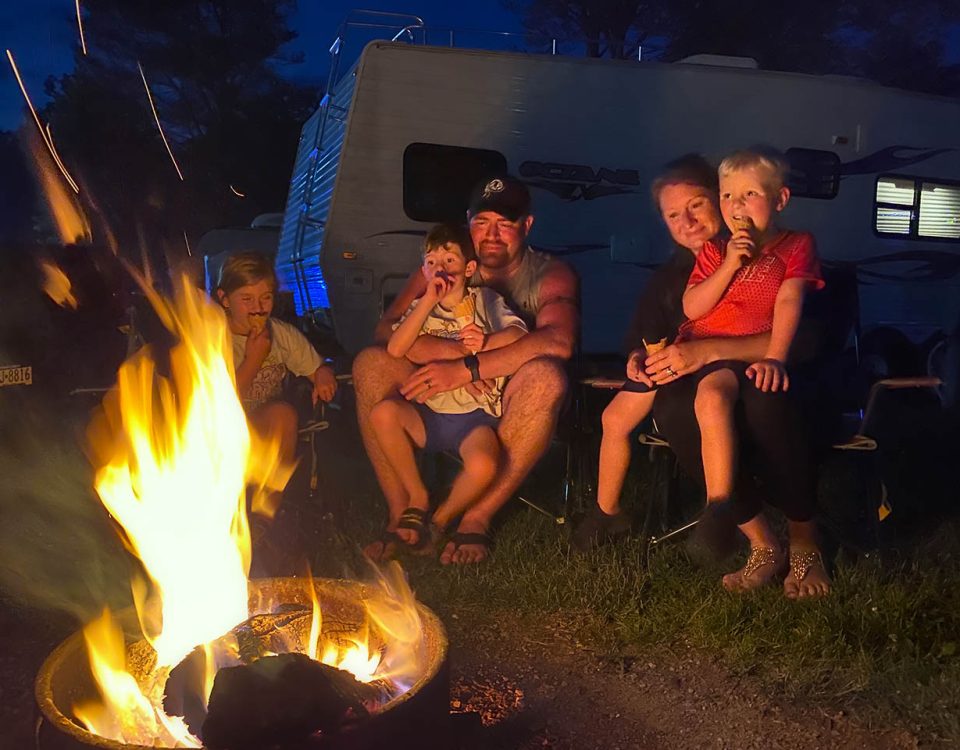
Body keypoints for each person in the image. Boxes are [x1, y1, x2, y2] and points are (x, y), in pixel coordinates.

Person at [573, 154, 830, 600]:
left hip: (762, 375)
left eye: (697, 205)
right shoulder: (684, 270)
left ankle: (803, 539)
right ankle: (756, 539)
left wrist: (712, 350)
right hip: (691, 381)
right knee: (673, 410)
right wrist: (639, 357)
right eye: (674, 215)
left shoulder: (789, 250)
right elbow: (651, 332)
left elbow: (803, 334)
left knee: (764, 401)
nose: (688, 221)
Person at [354, 175, 579, 564]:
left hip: (500, 401)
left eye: (504, 224)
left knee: (547, 378)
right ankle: (402, 511)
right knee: (371, 363)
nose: (491, 235)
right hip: (436, 394)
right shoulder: (445, 268)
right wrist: (450, 356)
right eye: (482, 222)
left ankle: (475, 517)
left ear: (526, 225)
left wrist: (468, 369)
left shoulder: (549, 274)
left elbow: (558, 341)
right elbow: (386, 330)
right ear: (468, 221)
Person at [368, 223, 527, 554]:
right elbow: (396, 348)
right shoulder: (424, 309)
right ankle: (417, 495)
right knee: (383, 414)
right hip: (430, 410)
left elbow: (518, 336)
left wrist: (485, 343)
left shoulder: (485, 300)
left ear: (469, 268)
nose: (440, 269)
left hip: (475, 416)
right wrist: (427, 301)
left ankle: (440, 521)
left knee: (484, 465)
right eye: (432, 262)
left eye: (449, 260)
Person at [216, 251, 338, 473]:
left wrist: (323, 372)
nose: (258, 308)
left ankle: (275, 490)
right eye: (246, 299)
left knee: (283, 415)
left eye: (266, 297)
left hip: (263, 424)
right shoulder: (213, 338)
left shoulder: (280, 334)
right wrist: (254, 359)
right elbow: (217, 405)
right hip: (217, 432)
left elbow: (316, 367)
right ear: (225, 299)